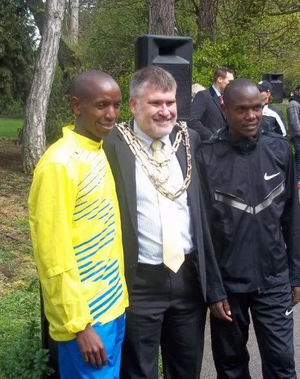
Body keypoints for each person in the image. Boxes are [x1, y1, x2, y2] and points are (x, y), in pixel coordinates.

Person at [103, 66, 229, 379]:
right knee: (139, 371)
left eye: (170, 103)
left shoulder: (191, 141)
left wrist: (212, 285)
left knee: (186, 369)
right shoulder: (113, 147)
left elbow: (206, 214)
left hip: (188, 279)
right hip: (139, 282)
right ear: (133, 105)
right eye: (155, 103)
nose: (165, 111)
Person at [197, 78, 300, 379]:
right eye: (242, 109)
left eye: (257, 108)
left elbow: (293, 218)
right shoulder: (206, 156)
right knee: (230, 368)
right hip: (229, 287)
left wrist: (295, 274)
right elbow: (203, 231)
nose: (251, 116)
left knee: (282, 363)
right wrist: (214, 290)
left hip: (274, 280)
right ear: (224, 108)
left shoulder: (281, 151)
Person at [28, 70, 128, 379]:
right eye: (101, 105)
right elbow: (52, 255)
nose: (111, 114)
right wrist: (79, 325)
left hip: (112, 309)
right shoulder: (58, 164)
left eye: (116, 105)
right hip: (85, 320)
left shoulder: (97, 152)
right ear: (76, 106)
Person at [187, 66, 234, 140]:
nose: (232, 85)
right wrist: (212, 137)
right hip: (209, 146)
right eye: (230, 81)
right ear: (220, 79)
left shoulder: (227, 98)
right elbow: (192, 121)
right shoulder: (204, 96)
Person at [287, 84, 300, 187]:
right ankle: (296, 179)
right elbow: (294, 123)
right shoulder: (294, 103)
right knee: (299, 157)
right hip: (296, 135)